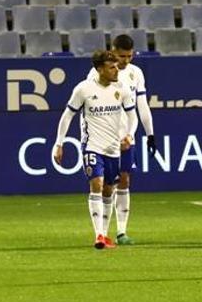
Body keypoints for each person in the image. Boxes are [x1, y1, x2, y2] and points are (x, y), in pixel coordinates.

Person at [54, 50, 137, 249]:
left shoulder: (122, 89)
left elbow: (132, 114)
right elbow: (67, 116)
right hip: (92, 146)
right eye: (112, 67)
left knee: (109, 190)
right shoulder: (83, 89)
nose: (116, 70)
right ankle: (99, 235)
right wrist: (59, 143)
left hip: (113, 149)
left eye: (117, 66)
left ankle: (105, 234)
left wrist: (129, 134)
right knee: (97, 184)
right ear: (99, 69)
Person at [85, 34, 156, 245]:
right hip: (104, 138)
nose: (125, 61)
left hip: (127, 136)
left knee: (125, 180)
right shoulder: (94, 74)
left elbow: (141, 105)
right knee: (106, 185)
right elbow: (89, 107)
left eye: (129, 56)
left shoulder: (136, 74)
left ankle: (122, 232)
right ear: (112, 52)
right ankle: (102, 233)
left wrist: (149, 133)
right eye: (121, 56)